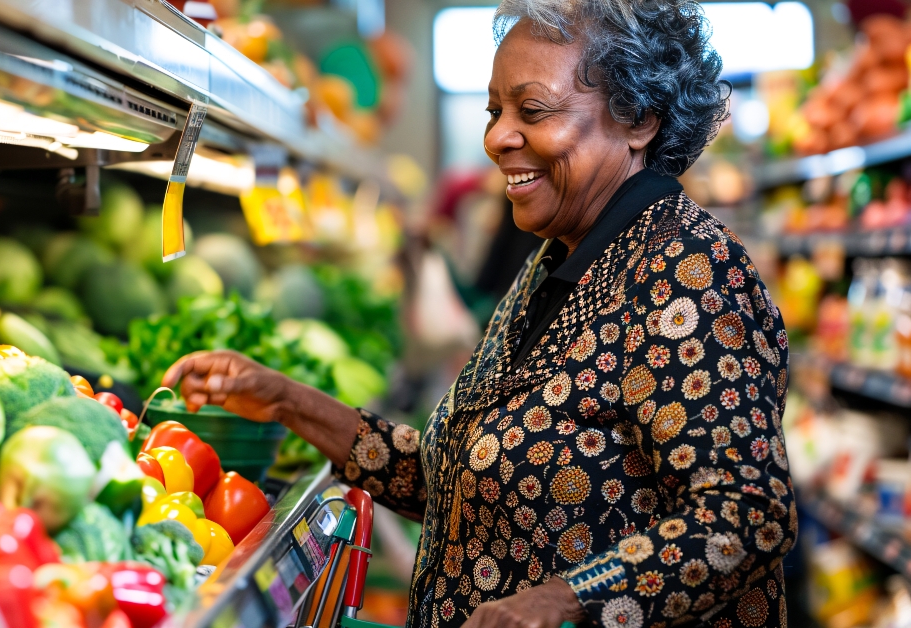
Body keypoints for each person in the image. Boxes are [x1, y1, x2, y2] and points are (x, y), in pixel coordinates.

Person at [162, 0, 795, 625]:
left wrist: (562, 600)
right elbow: (462, 480)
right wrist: (283, 401)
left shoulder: (688, 273)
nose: (496, 138)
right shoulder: (555, 263)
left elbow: (747, 516)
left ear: (638, 120)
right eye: (495, 111)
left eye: (532, 110)